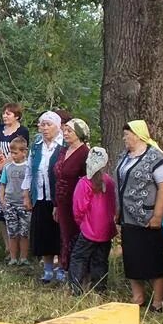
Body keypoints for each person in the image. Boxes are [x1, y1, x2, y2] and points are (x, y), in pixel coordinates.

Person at [116, 120, 163, 311]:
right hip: (127, 216)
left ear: (138, 135)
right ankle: (137, 297)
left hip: (147, 216)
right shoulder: (125, 156)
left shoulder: (155, 157)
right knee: (132, 257)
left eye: (127, 135)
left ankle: (158, 301)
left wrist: (158, 215)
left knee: (153, 257)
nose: (125, 139)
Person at [23, 111, 65, 284]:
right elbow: (29, 170)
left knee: (60, 234)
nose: (45, 128)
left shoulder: (64, 145)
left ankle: (62, 268)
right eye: (42, 124)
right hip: (40, 196)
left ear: (58, 126)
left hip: (59, 197)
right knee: (44, 233)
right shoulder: (37, 145)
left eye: (49, 125)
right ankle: (48, 270)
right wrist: (26, 194)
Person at [70, 146, 117, 294]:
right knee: (101, 260)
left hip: (89, 229)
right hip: (106, 229)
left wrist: (81, 223)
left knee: (79, 257)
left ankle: (75, 289)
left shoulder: (84, 183)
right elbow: (114, 204)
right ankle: (100, 290)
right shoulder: (109, 181)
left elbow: (78, 208)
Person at [0, 103, 29, 257]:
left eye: (9, 113)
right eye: (4, 113)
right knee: (1, 213)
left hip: (13, 176)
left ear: (17, 116)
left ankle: (21, 251)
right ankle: (8, 247)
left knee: (18, 214)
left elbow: (15, 154)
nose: (5, 116)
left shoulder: (22, 131)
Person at [54, 118, 91, 281]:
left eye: (70, 131)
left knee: (76, 236)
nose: (66, 133)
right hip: (62, 200)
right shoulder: (63, 151)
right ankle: (67, 269)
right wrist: (56, 204)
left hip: (77, 201)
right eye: (65, 130)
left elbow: (88, 181)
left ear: (79, 133)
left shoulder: (85, 153)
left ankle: (80, 274)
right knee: (65, 235)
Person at [0, 137, 31, 266]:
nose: (13, 155)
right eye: (11, 152)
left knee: (24, 232)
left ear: (24, 152)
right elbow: (3, 184)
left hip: (24, 204)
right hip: (10, 203)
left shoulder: (28, 166)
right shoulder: (7, 167)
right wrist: (2, 199)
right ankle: (13, 257)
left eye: (15, 153)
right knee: (12, 232)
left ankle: (23, 257)